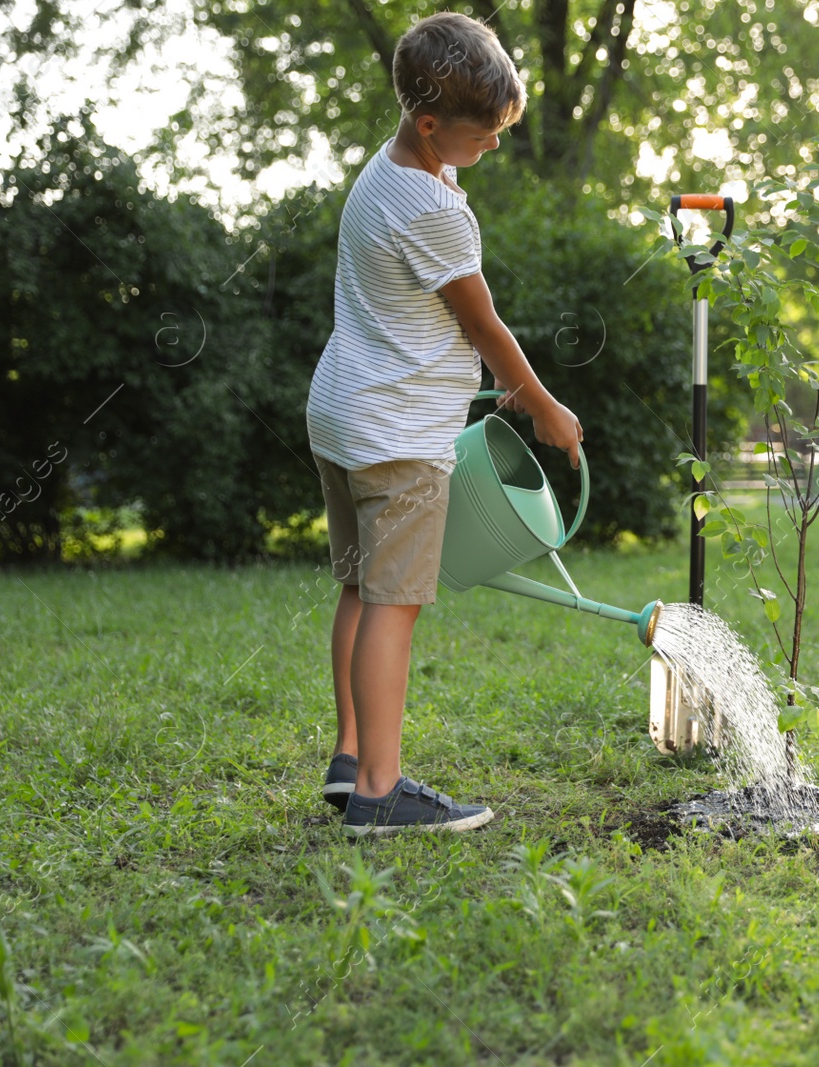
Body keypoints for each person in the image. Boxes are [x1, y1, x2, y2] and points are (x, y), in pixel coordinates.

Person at [305, 12, 583, 837]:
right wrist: (545, 406)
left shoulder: (384, 174)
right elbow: (485, 328)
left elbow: (409, 322)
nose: (494, 145)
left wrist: (479, 388)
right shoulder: (435, 208)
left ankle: (352, 760)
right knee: (396, 603)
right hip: (397, 441)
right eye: (485, 133)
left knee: (360, 587)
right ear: (431, 125)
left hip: (344, 414)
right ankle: (381, 795)